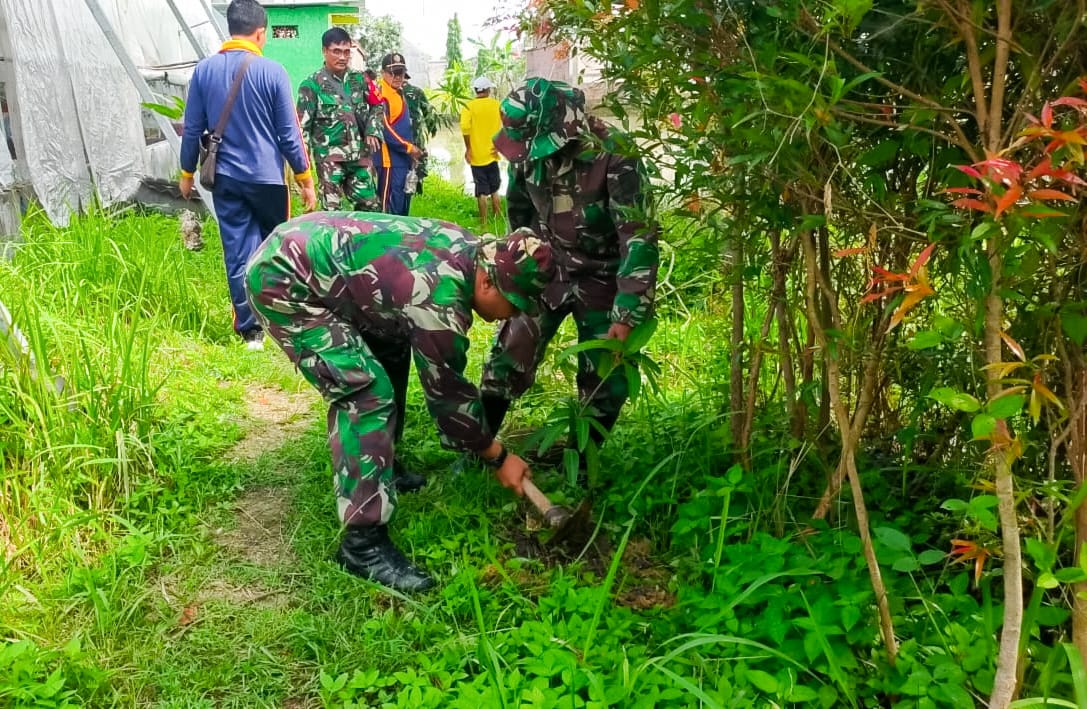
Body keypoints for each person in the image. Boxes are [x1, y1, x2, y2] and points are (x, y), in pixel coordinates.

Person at [245, 213, 554, 592]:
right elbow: (448, 397)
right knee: (366, 394)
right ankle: (363, 544)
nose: (514, 316)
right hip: (285, 281)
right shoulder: (438, 297)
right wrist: (498, 457)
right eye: (515, 304)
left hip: (312, 258)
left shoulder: (469, 251)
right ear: (488, 281)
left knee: (391, 347)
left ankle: (383, 466)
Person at [478, 78, 659, 488]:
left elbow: (639, 235)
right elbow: (519, 212)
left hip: (604, 277)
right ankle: (481, 449)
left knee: (605, 377)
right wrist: (518, 269)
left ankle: (582, 464)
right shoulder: (526, 151)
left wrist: (628, 311)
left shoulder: (616, 154)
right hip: (549, 269)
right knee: (508, 353)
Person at [179, 0, 316, 351]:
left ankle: (250, 330)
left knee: (238, 250)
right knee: (275, 248)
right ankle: (280, 318)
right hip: (268, 179)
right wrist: (305, 179)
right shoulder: (272, 71)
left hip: (224, 177)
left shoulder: (204, 71)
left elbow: (192, 126)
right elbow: (289, 133)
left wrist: (186, 173)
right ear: (260, 32)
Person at [296, 28, 383, 212]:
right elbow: (301, 128)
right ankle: (337, 241)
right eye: (336, 51)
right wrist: (303, 169)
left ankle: (362, 241)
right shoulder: (311, 85)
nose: (342, 57)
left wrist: (372, 129)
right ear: (324, 51)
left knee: (371, 208)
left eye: (346, 52)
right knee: (332, 215)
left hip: (359, 157)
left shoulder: (360, 80)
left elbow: (378, 105)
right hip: (329, 161)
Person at [374, 53, 423, 215]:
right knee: (389, 209)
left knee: (403, 206)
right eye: (392, 72)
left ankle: (401, 240)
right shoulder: (381, 95)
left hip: (403, 161)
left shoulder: (398, 93)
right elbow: (384, 129)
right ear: (383, 73)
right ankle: (385, 240)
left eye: (400, 73)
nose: (397, 77)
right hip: (389, 163)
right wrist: (409, 148)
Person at [459, 76, 503, 225]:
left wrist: (468, 149)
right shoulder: (497, 105)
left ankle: (484, 222)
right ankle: (498, 217)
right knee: (495, 189)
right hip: (492, 153)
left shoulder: (468, 107)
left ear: (475, 90)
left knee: (481, 191)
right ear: (488, 90)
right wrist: (499, 146)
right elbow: (506, 126)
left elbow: (465, 128)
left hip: (477, 156)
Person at [402, 78, 437, 196]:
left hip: (400, 133)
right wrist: (432, 128)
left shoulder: (392, 91)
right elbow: (428, 112)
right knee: (419, 157)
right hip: (415, 133)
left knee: (403, 159)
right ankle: (418, 187)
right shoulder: (417, 91)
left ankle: (405, 186)